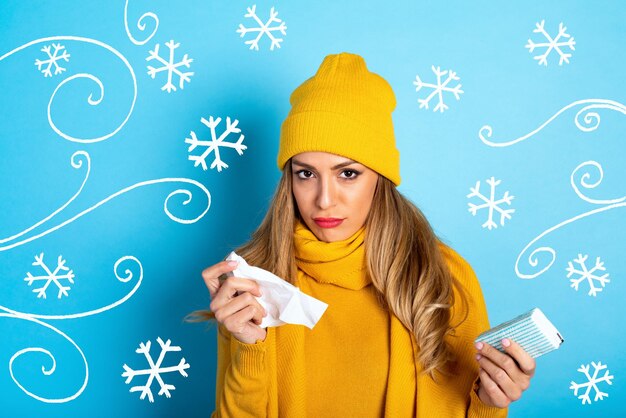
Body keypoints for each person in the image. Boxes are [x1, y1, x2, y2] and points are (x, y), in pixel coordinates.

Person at [184, 52, 536, 417]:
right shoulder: (254, 282)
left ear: (380, 179)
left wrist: (490, 402)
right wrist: (250, 349)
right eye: (306, 173)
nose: (324, 199)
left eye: (347, 174)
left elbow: (470, 406)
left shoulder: (442, 276)